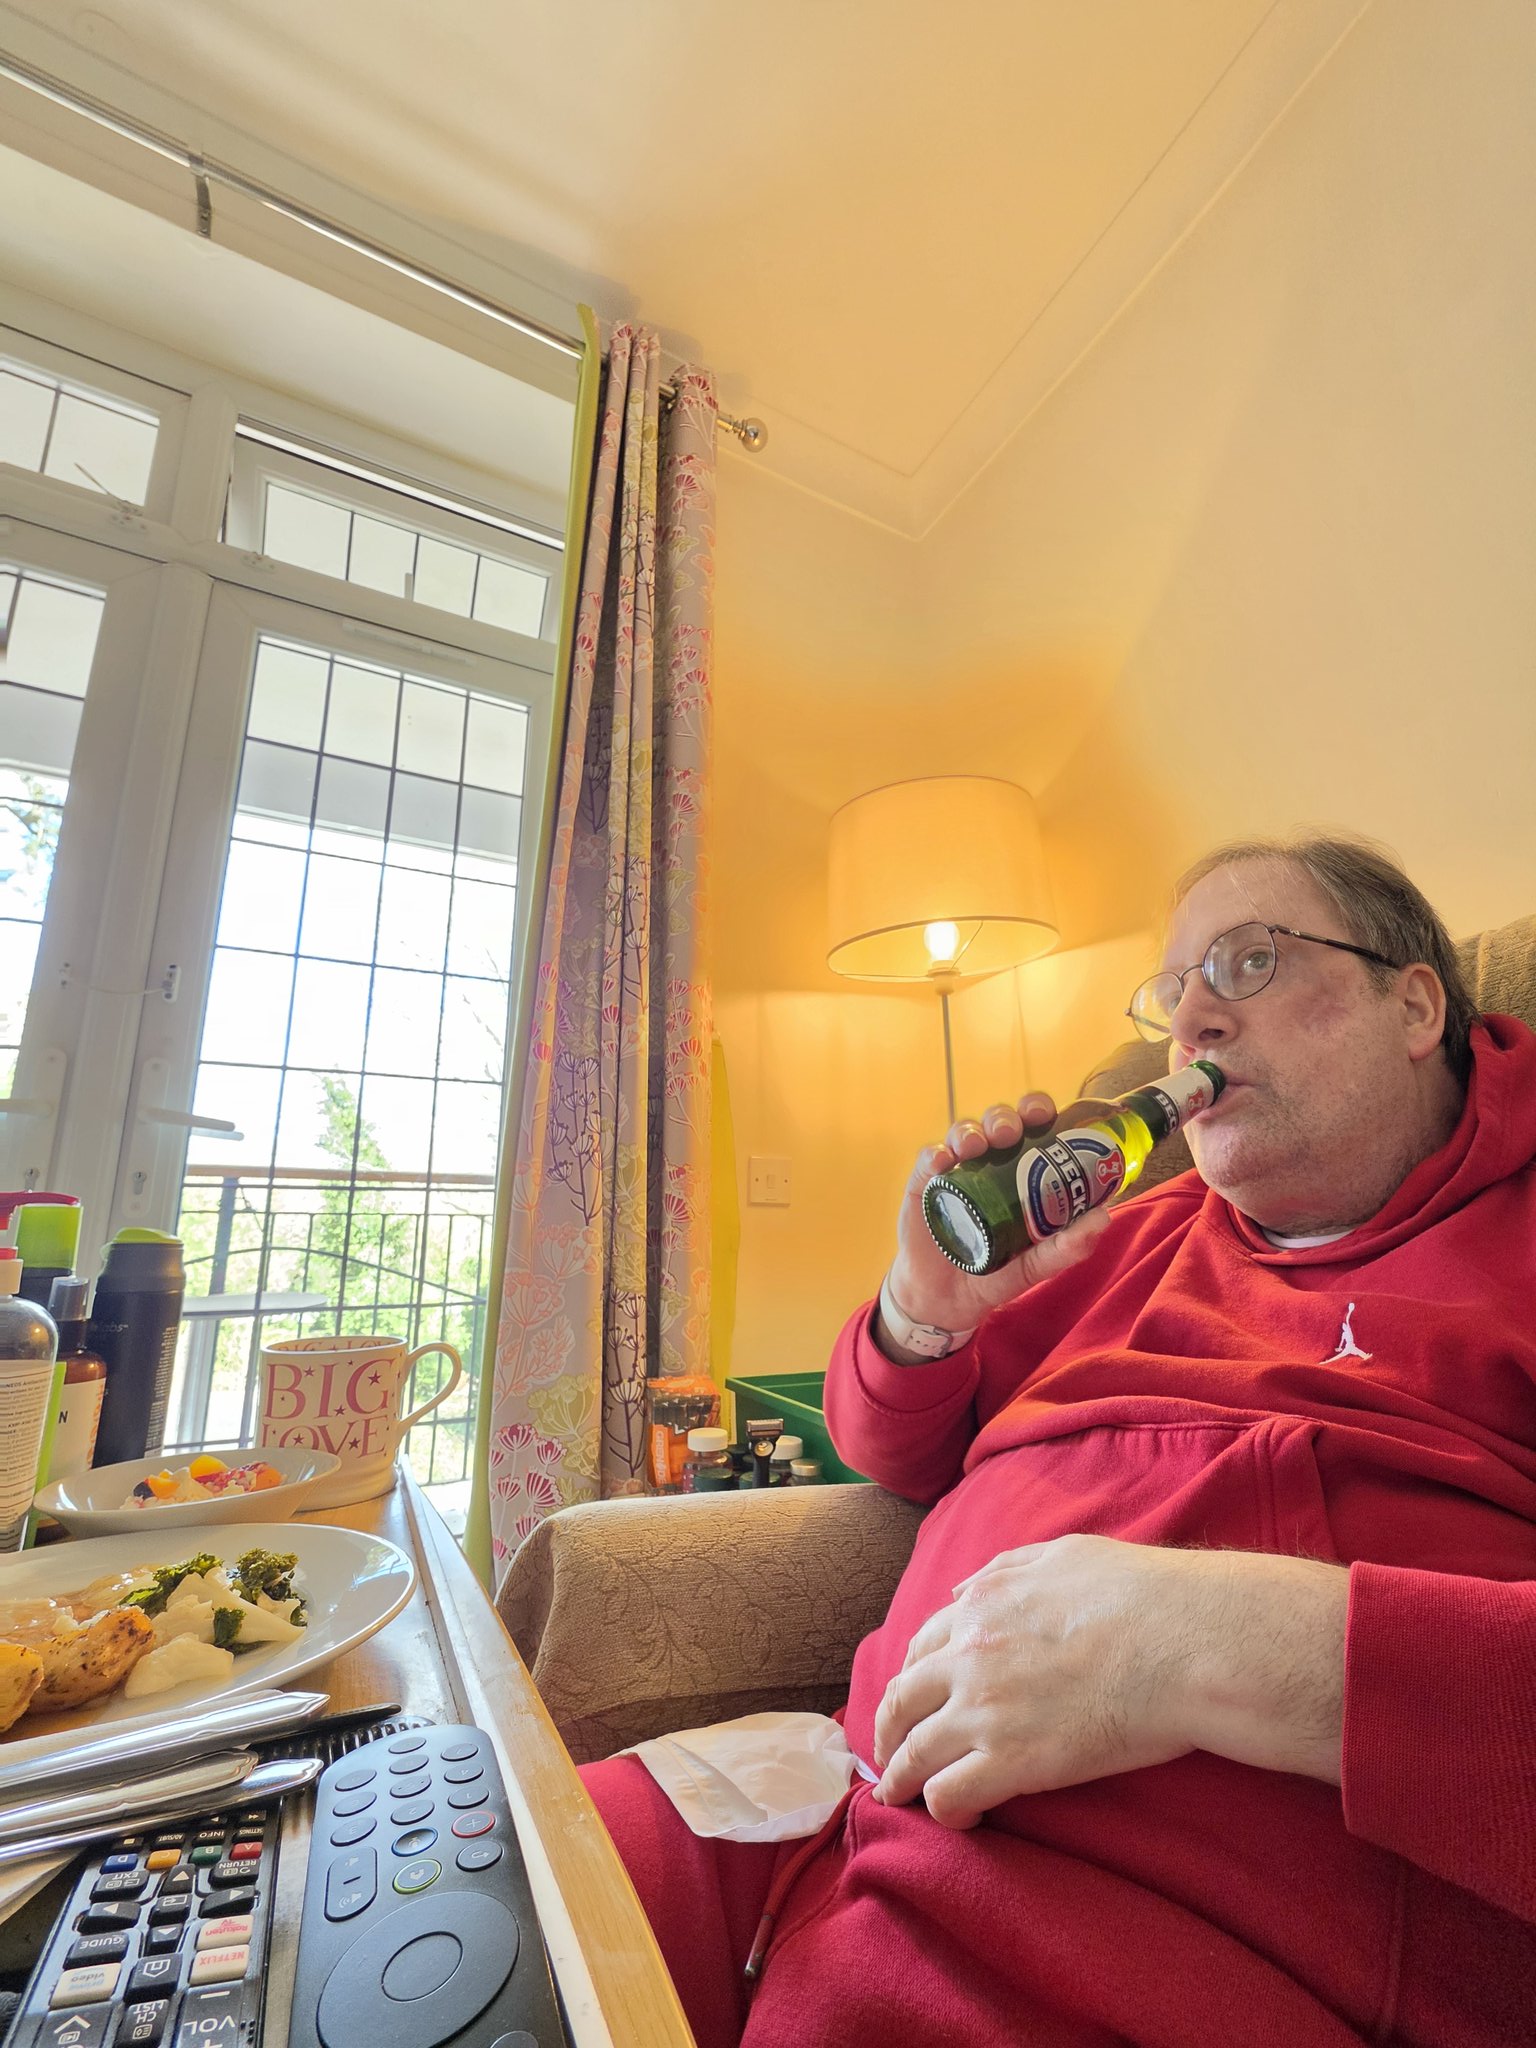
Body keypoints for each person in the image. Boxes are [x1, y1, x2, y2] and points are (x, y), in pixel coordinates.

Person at [581, 834, 1536, 2046]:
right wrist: (923, 1312)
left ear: (1414, 1005)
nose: (1192, 1021)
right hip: (825, 1812)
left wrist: (1203, 1641)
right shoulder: (1130, 1232)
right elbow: (892, 1448)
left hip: (1147, 1934)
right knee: (443, 1874)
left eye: (1248, 961)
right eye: (1174, 989)